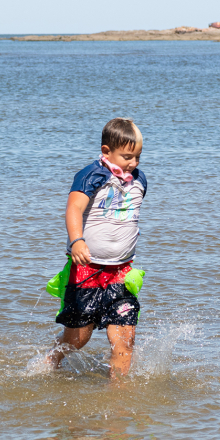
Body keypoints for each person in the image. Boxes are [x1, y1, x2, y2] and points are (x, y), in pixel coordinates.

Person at [47, 118, 148, 376]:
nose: (134, 163)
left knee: (125, 339)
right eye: (127, 157)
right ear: (106, 151)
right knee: (79, 337)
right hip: (87, 270)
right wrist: (77, 241)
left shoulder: (139, 180)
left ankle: (118, 394)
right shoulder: (91, 175)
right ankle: (49, 363)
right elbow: (74, 209)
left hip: (121, 271)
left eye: (137, 156)